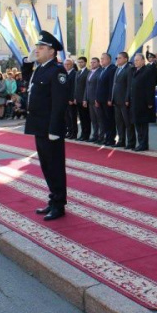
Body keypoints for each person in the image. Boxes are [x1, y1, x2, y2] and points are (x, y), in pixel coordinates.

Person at [21, 31, 70, 221]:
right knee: (46, 166)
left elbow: (59, 103)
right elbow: (26, 77)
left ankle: (59, 204)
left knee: (55, 166)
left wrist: (55, 129)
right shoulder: (40, 69)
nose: (37, 50)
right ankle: (53, 199)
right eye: (37, 47)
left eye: (41, 48)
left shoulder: (57, 71)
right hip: (39, 125)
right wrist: (27, 60)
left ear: (52, 52)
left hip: (50, 127)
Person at [128, 53, 157, 151]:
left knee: (143, 124)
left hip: (143, 103)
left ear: (143, 61)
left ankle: (144, 144)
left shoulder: (147, 71)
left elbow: (150, 88)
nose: (135, 62)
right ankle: (140, 143)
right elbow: (131, 86)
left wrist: (150, 102)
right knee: (137, 123)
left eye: (137, 60)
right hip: (135, 102)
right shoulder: (134, 71)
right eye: (135, 60)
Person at [111, 52, 135, 149]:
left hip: (124, 100)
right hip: (116, 100)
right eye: (117, 58)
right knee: (119, 122)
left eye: (120, 58)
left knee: (128, 122)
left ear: (126, 59)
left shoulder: (129, 69)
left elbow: (129, 85)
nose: (117, 60)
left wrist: (127, 98)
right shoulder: (117, 69)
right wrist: (112, 98)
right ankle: (121, 140)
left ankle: (131, 142)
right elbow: (114, 85)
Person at [96, 52, 117, 146]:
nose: (101, 60)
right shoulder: (102, 70)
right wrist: (97, 98)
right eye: (101, 59)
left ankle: (111, 138)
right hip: (100, 99)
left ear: (108, 60)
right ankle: (107, 137)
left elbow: (111, 85)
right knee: (104, 120)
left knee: (110, 120)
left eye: (103, 59)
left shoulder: (112, 69)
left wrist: (110, 99)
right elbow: (99, 86)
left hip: (107, 100)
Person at [84, 57, 102, 143]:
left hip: (96, 100)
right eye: (91, 62)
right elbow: (86, 87)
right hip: (89, 99)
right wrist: (85, 99)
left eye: (94, 62)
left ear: (98, 63)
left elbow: (99, 87)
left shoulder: (100, 71)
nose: (92, 64)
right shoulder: (90, 72)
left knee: (100, 119)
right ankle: (95, 135)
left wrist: (97, 99)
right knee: (93, 119)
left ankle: (101, 137)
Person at [73, 57, 90, 140]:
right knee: (81, 118)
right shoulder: (78, 72)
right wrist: (75, 98)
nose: (80, 64)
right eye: (78, 62)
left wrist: (84, 99)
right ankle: (82, 134)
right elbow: (76, 86)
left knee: (86, 118)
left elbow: (87, 87)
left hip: (84, 99)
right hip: (78, 99)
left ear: (85, 62)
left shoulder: (88, 72)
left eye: (81, 62)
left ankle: (86, 135)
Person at [63, 59, 78, 139]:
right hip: (64, 99)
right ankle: (69, 131)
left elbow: (74, 88)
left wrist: (71, 99)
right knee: (66, 117)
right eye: (65, 64)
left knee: (72, 117)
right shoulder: (63, 74)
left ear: (72, 65)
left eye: (68, 64)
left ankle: (74, 133)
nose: (66, 66)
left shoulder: (74, 73)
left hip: (70, 99)